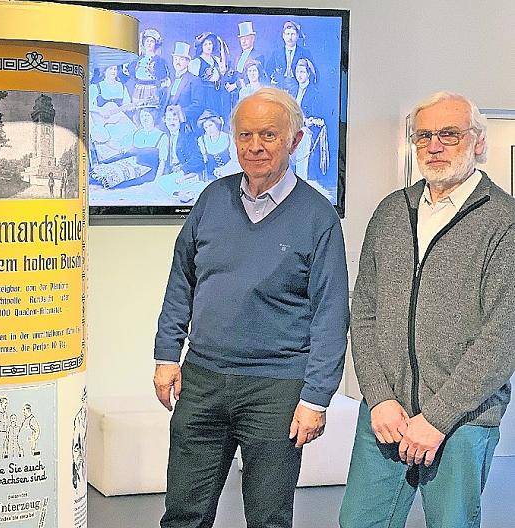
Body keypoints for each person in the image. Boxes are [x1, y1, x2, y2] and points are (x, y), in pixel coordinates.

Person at [154, 87, 348, 528]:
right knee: (183, 513)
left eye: (268, 135)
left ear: (295, 141)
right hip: (201, 378)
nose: (255, 146)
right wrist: (167, 355)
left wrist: (316, 398)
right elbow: (181, 281)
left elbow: (331, 314)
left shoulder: (318, 217)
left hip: (276, 388)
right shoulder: (211, 199)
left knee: (268, 517)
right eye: (244, 135)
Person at [340, 92, 515, 528]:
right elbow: (364, 313)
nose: (433, 146)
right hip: (386, 416)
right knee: (358, 522)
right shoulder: (390, 213)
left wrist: (436, 418)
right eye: (423, 136)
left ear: (478, 143)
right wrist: (378, 398)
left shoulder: (505, 222)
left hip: (460, 420)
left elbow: (502, 336)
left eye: (449, 134)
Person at [288, 58, 329, 188]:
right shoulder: (292, 91)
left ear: (308, 74)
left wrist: (309, 121)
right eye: (298, 71)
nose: (299, 75)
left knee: (303, 136)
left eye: (303, 72)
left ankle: (301, 180)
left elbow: (321, 119)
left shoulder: (315, 94)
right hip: (291, 130)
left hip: (308, 133)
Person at [120, 28, 170, 111]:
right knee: (137, 113)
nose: (149, 44)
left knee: (149, 114)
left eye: (152, 41)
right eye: (147, 41)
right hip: (138, 90)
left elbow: (163, 78)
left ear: (155, 44)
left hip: (152, 91)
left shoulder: (160, 61)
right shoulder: (137, 60)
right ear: (143, 43)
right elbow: (128, 72)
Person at [162, 41, 206, 127]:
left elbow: (198, 106)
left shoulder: (194, 80)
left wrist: (179, 111)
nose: (177, 62)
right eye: (175, 59)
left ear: (188, 62)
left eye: (181, 59)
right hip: (169, 123)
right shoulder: (172, 80)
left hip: (186, 124)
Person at [190, 33, 232, 120]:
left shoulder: (216, 59)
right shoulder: (197, 62)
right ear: (201, 46)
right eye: (205, 44)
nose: (208, 46)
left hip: (217, 93)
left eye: (210, 44)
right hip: (204, 94)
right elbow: (193, 82)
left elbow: (221, 74)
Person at [266, 20, 314, 93]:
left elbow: (312, 73)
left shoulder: (304, 53)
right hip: (280, 87)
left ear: (297, 36)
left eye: (293, 34)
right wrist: (272, 83)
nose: (290, 38)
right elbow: (267, 70)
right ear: (283, 36)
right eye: (287, 34)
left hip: (298, 87)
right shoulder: (276, 54)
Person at [196, 110, 242, 179]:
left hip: (229, 172)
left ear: (217, 124)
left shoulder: (228, 138)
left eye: (210, 125)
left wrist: (223, 170)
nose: (209, 129)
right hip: (211, 177)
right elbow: (203, 161)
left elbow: (235, 160)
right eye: (206, 127)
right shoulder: (202, 141)